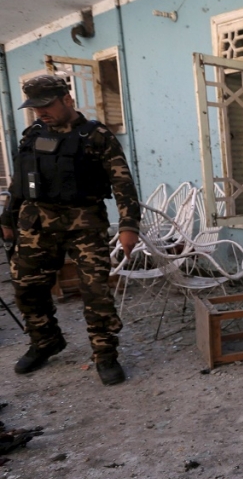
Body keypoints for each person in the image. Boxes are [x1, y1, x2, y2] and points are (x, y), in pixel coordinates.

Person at [0, 74, 141, 385]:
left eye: (46, 105)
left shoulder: (96, 136)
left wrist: (129, 225)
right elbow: (20, 183)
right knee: (26, 287)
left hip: (84, 225)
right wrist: (7, 220)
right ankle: (45, 341)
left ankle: (105, 354)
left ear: (67, 99)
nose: (40, 112)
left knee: (96, 292)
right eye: (35, 107)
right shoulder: (32, 134)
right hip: (35, 224)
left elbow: (122, 182)